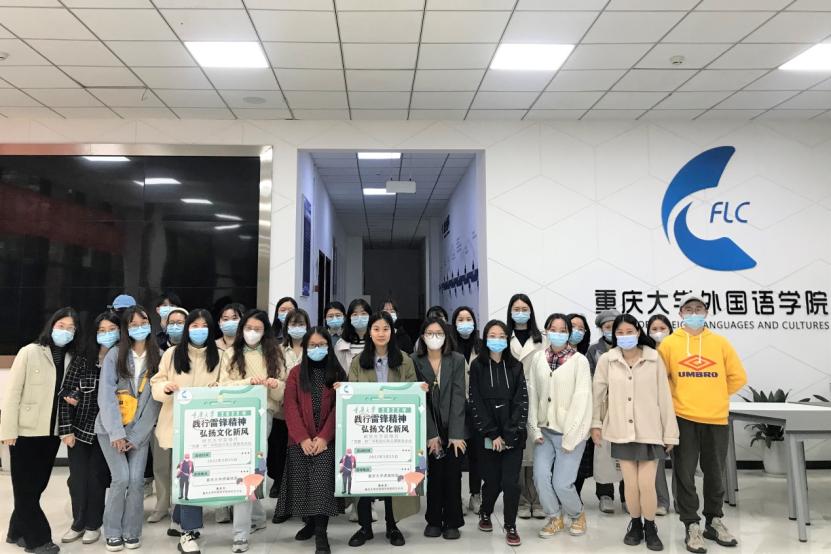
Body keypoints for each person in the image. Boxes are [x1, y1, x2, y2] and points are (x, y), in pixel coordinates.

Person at [659, 294, 747, 554]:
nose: (694, 313)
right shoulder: (670, 343)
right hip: (683, 417)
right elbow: (661, 379)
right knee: (684, 473)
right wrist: (679, 398)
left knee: (715, 473)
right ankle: (691, 524)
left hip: (716, 418)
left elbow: (738, 377)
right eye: (689, 309)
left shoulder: (719, 342)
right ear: (680, 314)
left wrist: (715, 395)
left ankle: (714, 520)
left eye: (699, 309)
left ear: (706, 313)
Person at [592, 313, 679, 551]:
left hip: (650, 431)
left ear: (638, 333)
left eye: (629, 332)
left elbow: (664, 397)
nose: (625, 336)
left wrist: (670, 433)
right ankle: (635, 524)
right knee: (631, 484)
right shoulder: (607, 360)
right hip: (621, 430)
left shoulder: (654, 358)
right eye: (619, 333)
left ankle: (650, 527)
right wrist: (595, 424)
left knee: (646, 484)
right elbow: (597, 395)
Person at [1, 307, 83, 554]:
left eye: (71, 328)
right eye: (61, 326)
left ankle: (16, 532)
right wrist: (8, 430)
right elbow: (13, 393)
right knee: (25, 489)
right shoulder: (29, 352)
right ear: (52, 326)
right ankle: (38, 540)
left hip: (52, 433)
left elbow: (71, 390)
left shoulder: (72, 358)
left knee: (35, 487)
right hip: (25, 433)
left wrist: (75, 399)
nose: (65, 331)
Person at [150, 309, 223, 554]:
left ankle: (179, 520)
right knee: (187, 477)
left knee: (193, 477)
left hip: (205, 429)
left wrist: (219, 389)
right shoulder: (172, 354)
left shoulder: (220, 355)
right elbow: (156, 383)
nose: (199, 330)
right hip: (176, 425)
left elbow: (227, 385)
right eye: (194, 325)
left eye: (204, 326)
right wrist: (166, 388)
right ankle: (188, 533)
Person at [346, 312, 420, 548]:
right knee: (365, 477)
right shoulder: (358, 361)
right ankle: (365, 527)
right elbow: (351, 393)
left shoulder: (405, 360)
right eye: (376, 329)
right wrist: (342, 391)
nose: (381, 333)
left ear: (392, 331)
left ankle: (392, 526)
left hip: (394, 430)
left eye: (385, 329)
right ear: (369, 332)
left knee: (392, 476)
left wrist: (420, 391)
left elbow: (412, 392)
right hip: (365, 430)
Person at [95, 306, 162, 551]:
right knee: (121, 478)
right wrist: (117, 433)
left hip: (139, 433)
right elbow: (106, 396)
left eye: (143, 323)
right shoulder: (115, 354)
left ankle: (132, 531)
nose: (138, 328)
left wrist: (135, 435)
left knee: (136, 481)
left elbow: (155, 401)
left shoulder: (159, 356)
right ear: (126, 328)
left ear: (150, 324)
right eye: (133, 324)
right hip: (110, 430)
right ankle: (112, 531)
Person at [219, 309, 286, 552]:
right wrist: (248, 383)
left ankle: (241, 532)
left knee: (251, 466)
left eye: (257, 329)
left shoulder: (274, 353)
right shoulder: (231, 353)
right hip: (236, 416)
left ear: (265, 331)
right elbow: (223, 385)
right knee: (245, 467)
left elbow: (282, 393)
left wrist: (274, 384)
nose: (252, 333)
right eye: (248, 328)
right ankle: (255, 518)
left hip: (263, 414)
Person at [276, 327, 346, 554]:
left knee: (321, 485)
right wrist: (303, 438)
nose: (317, 349)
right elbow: (290, 406)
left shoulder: (337, 372)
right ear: (305, 348)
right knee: (304, 485)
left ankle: (321, 534)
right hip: (300, 440)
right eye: (313, 345)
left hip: (328, 440)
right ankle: (310, 524)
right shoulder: (296, 373)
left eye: (322, 345)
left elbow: (340, 408)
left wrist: (324, 437)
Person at [526, 313, 592, 539]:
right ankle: (554, 517)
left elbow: (583, 399)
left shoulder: (579, 361)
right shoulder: (538, 358)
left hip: (570, 433)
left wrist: (572, 436)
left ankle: (577, 514)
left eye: (563, 330)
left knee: (562, 483)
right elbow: (532, 394)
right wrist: (534, 429)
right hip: (544, 432)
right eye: (553, 329)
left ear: (569, 333)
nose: (558, 334)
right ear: (546, 331)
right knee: (540, 477)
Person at [58, 311, 121, 546]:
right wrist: (66, 430)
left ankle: (93, 524)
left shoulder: (122, 361)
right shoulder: (83, 360)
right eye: (101, 330)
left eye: (111, 330)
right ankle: (78, 523)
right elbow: (65, 393)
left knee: (97, 479)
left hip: (107, 433)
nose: (106, 334)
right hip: (80, 431)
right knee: (77, 480)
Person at [468, 319, 527, 547]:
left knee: (510, 482)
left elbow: (521, 401)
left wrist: (510, 434)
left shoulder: (516, 366)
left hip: (513, 435)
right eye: (492, 336)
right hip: (487, 435)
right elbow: (475, 401)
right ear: (485, 338)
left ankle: (510, 525)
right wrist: (493, 434)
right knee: (492, 481)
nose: (497, 340)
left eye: (502, 336)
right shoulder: (477, 366)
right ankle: (486, 511)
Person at [412, 317, 467, 540]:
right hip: (427, 425)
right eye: (430, 333)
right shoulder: (414, 361)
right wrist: (431, 433)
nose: (434, 337)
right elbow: (417, 400)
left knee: (453, 475)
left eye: (439, 333)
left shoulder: (457, 359)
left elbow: (458, 396)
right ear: (423, 336)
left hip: (453, 425)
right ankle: (434, 520)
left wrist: (455, 433)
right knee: (434, 474)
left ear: (446, 336)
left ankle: (452, 521)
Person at [147, 307, 188, 525]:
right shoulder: (157, 349)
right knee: (162, 465)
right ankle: (162, 505)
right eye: (172, 322)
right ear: (164, 324)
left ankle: (185, 508)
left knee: (187, 466)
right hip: (163, 413)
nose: (176, 326)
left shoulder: (198, 349)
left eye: (181, 322)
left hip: (192, 418)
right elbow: (154, 382)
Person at [506, 293, 544, 519]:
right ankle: (521, 500)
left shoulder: (542, 339)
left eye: (524, 308)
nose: (520, 312)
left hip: (538, 398)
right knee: (517, 452)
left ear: (531, 312)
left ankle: (537, 500)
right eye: (516, 309)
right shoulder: (504, 337)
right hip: (511, 399)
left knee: (537, 450)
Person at [586, 309, 626, 513]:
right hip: (603, 405)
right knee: (603, 453)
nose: (610, 330)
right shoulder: (594, 350)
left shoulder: (629, 347)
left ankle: (628, 495)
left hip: (626, 406)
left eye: (614, 326)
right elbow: (591, 377)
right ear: (601, 329)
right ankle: (605, 494)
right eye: (606, 327)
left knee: (628, 452)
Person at [450, 306, 483, 515]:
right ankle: (456, 497)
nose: (464, 323)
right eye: (460, 319)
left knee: (476, 455)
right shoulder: (449, 347)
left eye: (468, 319)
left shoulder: (481, 346)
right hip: (456, 409)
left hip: (478, 408)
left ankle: (475, 495)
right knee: (456, 456)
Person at [267, 295, 298, 499]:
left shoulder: (312, 345)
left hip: (302, 408)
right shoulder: (274, 345)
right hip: (280, 407)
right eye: (282, 310)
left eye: (291, 311)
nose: (287, 315)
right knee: (277, 448)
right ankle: (278, 482)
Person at [647, 313, 674, 517]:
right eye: (654, 329)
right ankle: (661, 501)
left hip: (680, 409)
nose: (658, 333)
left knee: (682, 462)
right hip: (654, 413)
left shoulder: (677, 350)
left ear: (670, 330)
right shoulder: (646, 353)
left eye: (662, 328)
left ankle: (682, 502)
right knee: (657, 461)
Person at [334, 298, 373, 372]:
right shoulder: (341, 344)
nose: (359, 317)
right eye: (355, 314)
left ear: (370, 316)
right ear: (349, 318)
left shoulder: (376, 340)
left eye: (363, 313)